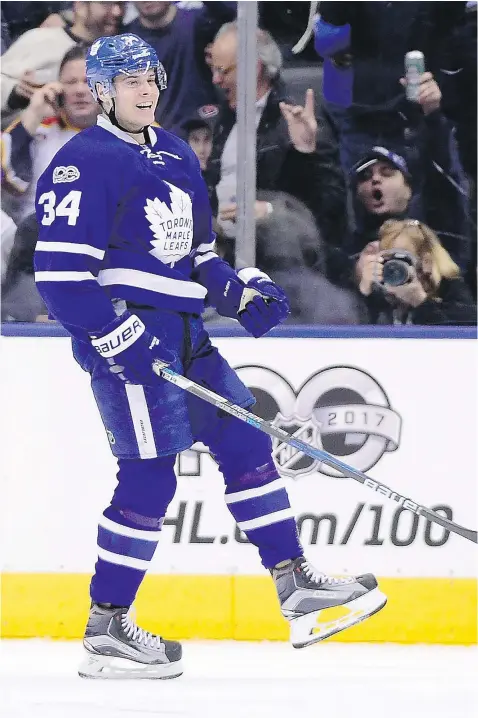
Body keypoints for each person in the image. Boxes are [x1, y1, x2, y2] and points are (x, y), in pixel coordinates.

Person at [34, 33, 386, 679]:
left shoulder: (171, 151)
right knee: (150, 477)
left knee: (248, 443)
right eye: (129, 81)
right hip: (129, 338)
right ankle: (108, 623)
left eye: (150, 79)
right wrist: (113, 337)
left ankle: (296, 584)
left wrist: (236, 291)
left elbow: (194, 254)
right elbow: (59, 277)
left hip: (188, 334)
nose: (145, 90)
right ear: (106, 90)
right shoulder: (81, 163)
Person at [206, 21, 347, 248]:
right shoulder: (223, 117)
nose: (215, 79)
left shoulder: (299, 116)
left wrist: (271, 212)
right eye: (212, 68)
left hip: (279, 253)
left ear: (254, 68)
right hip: (222, 250)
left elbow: (330, 207)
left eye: (223, 71)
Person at [1, 45, 98, 224]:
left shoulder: (133, 134)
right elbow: (10, 183)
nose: (79, 90)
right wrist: (34, 113)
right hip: (35, 239)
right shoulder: (35, 128)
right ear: (58, 87)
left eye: (88, 81)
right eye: (70, 82)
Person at [1, 1, 124, 127]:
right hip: (31, 139)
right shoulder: (40, 40)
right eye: (106, 3)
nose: (117, 12)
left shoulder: (126, 53)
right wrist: (15, 93)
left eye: (122, 4)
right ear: (80, 5)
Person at [125, 1, 236, 133]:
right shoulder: (124, 40)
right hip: (155, 141)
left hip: (201, 136)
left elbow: (234, 12)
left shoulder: (196, 22)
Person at [355, 219, 476, 325]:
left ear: (426, 262)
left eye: (401, 259)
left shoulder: (451, 290)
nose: (394, 267)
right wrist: (364, 293)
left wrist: (421, 302)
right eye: (387, 260)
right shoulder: (379, 296)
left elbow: (462, 338)